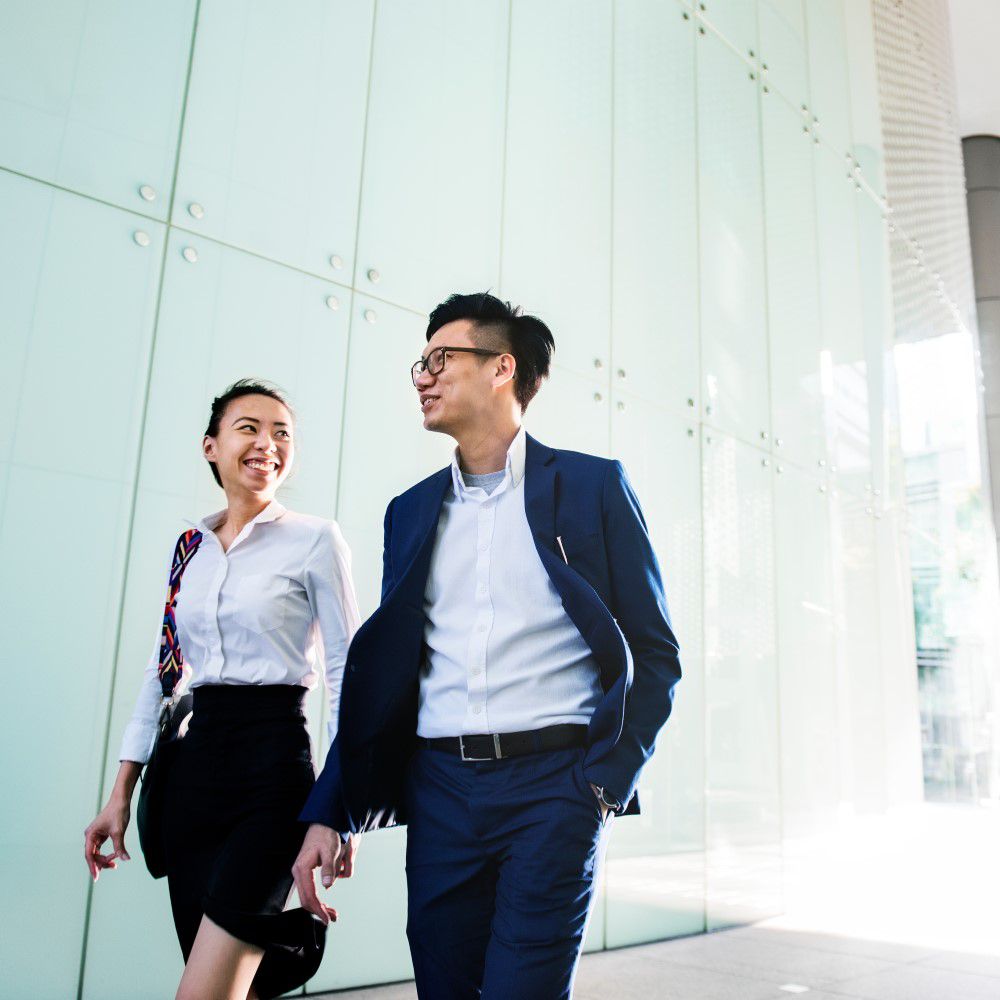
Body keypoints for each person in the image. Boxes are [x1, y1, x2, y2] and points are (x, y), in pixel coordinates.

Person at [292, 293, 682, 998]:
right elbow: (386, 680)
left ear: (503, 367)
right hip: (440, 793)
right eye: (422, 362)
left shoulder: (593, 486)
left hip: (554, 791)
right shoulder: (410, 511)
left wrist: (601, 784)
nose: (423, 375)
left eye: (442, 359)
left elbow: (654, 653)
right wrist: (331, 808)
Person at [83, 379, 361, 1000]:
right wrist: (119, 795)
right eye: (250, 428)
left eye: (282, 432)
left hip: (274, 771)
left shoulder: (316, 538)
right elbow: (162, 675)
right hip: (191, 775)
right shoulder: (189, 551)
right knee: (238, 988)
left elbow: (350, 676)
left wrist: (338, 810)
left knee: (204, 993)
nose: (268, 443)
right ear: (211, 447)